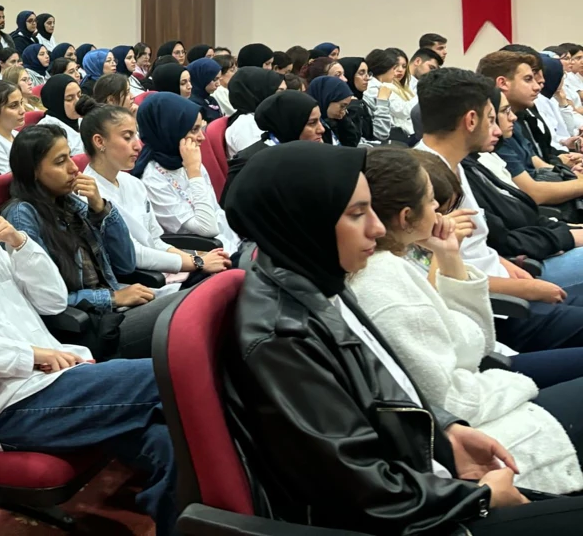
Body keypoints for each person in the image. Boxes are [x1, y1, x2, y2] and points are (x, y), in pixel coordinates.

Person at [223, 140, 583, 534]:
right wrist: (479, 497)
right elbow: (363, 493)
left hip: (430, 482)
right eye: (357, 214)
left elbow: (388, 388)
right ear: (306, 219)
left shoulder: (318, 281)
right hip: (430, 516)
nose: (378, 228)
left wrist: (446, 430)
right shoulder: (284, 338)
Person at [0, 142, 178, 533]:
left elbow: (52, 300)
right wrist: (30, 354)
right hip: (8, 404)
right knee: (171, 374)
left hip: (54, 380)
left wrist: (20, 243)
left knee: (169, 445)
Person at [346, 146, 583, 493]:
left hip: (479, 388)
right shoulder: (383, 281)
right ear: (407, 217)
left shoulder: (393, 265)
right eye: (432, 201)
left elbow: (472, 345)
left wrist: (448, 255)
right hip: (477, 423)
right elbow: (446, 394)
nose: (440, 211)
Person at [417, 66, 583, 356]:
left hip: (508, 284)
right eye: (491, 118)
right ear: (471, 120)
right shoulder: (425, 181)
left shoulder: (454, 164)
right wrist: (530, 289)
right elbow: (443, 278)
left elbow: (477, 248)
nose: (496, 129)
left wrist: (512, 269)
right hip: (498, 312)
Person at [2, 126, 164, 360]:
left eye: (69, 156)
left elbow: (126, 263)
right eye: (60, 162)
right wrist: (112, 298)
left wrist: (101, 208)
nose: (73, 168)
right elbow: (44, 299)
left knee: (203, 300)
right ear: (33, 172)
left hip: (114, 308)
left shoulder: (70, 203)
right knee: (190, 312)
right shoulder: (22, 215)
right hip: (89, 327)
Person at [82, 103, 230, 283]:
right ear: (100, 142)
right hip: (138, 283)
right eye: (127, 137)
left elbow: (155, 241)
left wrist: (198, 260)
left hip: (164, 270)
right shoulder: (89, 195)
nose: (138, 145)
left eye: (136, 135)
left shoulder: (133, 183)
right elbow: (134, 253)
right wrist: (197, 263)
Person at [469, 90, 583, 286]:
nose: (511, 118)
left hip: (542, 242)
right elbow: (504, 239)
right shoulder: (460, 172)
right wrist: (565, 236)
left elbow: (525, 214)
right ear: (470, 121)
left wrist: (568, 230)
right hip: (529, 262)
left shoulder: (482, 159)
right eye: (493, 118)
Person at [134, 91, 240, 254]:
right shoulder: (152, 179)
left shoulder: (184, 159)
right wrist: (194, 172)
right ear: (170, 130)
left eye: (200, 128)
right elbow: (207, 229)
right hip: (200, 254)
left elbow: (215, 211)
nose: (202, 137)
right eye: (194, 130)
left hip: (228, 241)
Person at [478, 51, 583, 207]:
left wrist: (571, 172)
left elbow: (537, 164)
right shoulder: (494, 133)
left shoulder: (514, 119)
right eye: (528, 79)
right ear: (502, 83)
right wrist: (578, 182)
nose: (537, 86)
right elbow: (533, 193)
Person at [224, 90, 324, 197]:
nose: (322, 129)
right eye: (312, 123)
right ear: (290, 124)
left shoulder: (309, 151)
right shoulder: (251, 166)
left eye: (320, 121)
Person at [223, 67, 287, 156]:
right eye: (279, 92)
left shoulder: (266, 118)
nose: (285, 97)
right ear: (259, 92)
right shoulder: (246, 125)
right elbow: (260, 160)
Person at [365, 47, 416, 139]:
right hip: (388, 136)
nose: (397, 72)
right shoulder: (373, 88)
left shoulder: (387, 85)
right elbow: (400, 111)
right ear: (384, 68)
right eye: (394, 68)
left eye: (404, 66)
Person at [37, 73, 87, 155]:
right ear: (56, 103)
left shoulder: (82, 121)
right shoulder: (47, 131)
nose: (78, 102)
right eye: (69, 98)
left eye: (79, 95)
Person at [309, 74, 359, 147]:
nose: (343, 112)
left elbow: (351, 145)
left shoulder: (337, 120)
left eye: (346, 107)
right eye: (342, 106)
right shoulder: (314, 128)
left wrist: (344, 121)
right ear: (327, 100)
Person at [186, 57, 223, 123]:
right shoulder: (192, 104)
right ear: (202, 77)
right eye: (215, 79)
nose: (218, 84)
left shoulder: (209, 99)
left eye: (219, 79)